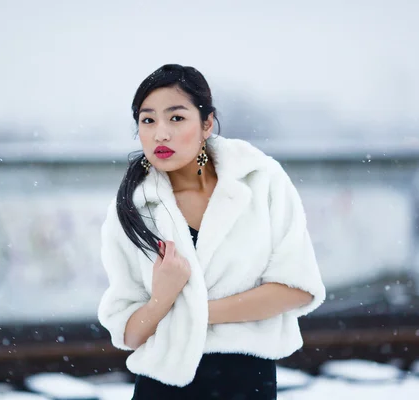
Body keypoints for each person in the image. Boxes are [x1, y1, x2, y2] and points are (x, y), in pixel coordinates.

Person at [97, 64, 326, 399]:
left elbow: (297, 289)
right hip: (162, 385)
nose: (161, 133)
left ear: (206, 123)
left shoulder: (261, 181)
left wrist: (188, 310)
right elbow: (130, 334)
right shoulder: (132, 209)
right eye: (148, 120)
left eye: (176, 118)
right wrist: (163, 295)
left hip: (248, 381)